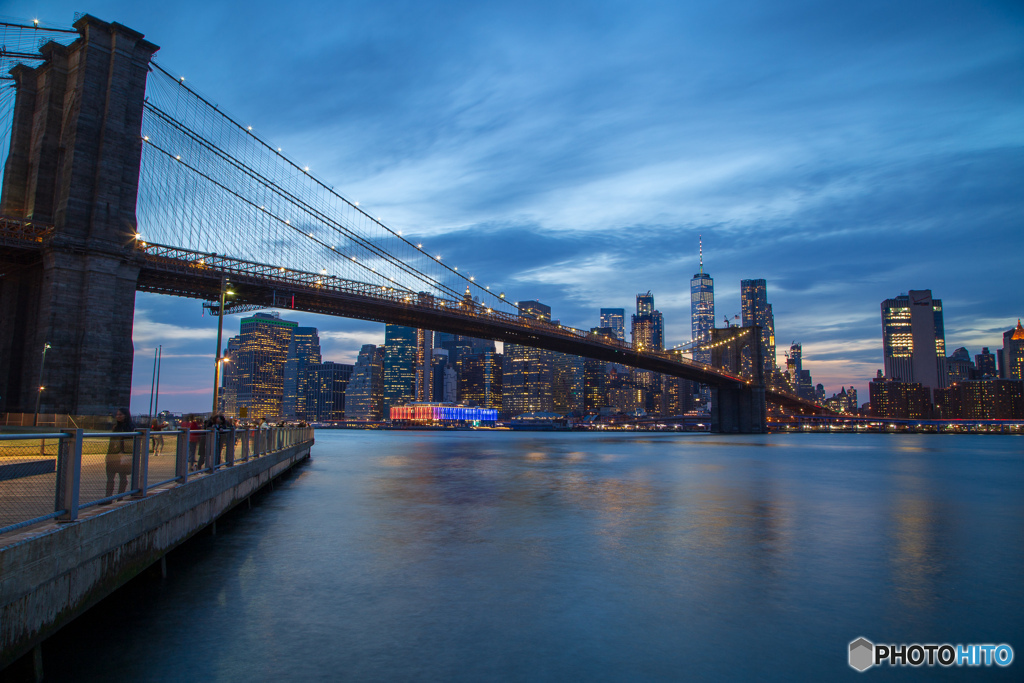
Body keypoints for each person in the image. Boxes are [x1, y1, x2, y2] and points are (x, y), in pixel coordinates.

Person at [105, 408, 135, 500]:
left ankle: (120, 497)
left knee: (123, 477)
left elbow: (131, 443)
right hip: (113, 455)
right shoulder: (115, 427)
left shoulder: (131, 428)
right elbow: (112, 442)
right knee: (110, 477)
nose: (118, 416)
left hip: (123, 456)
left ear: (125, 415)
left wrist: (125, 452)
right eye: (117, 415)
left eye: (120, 414)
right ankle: (108, 498)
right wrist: (108, 454)